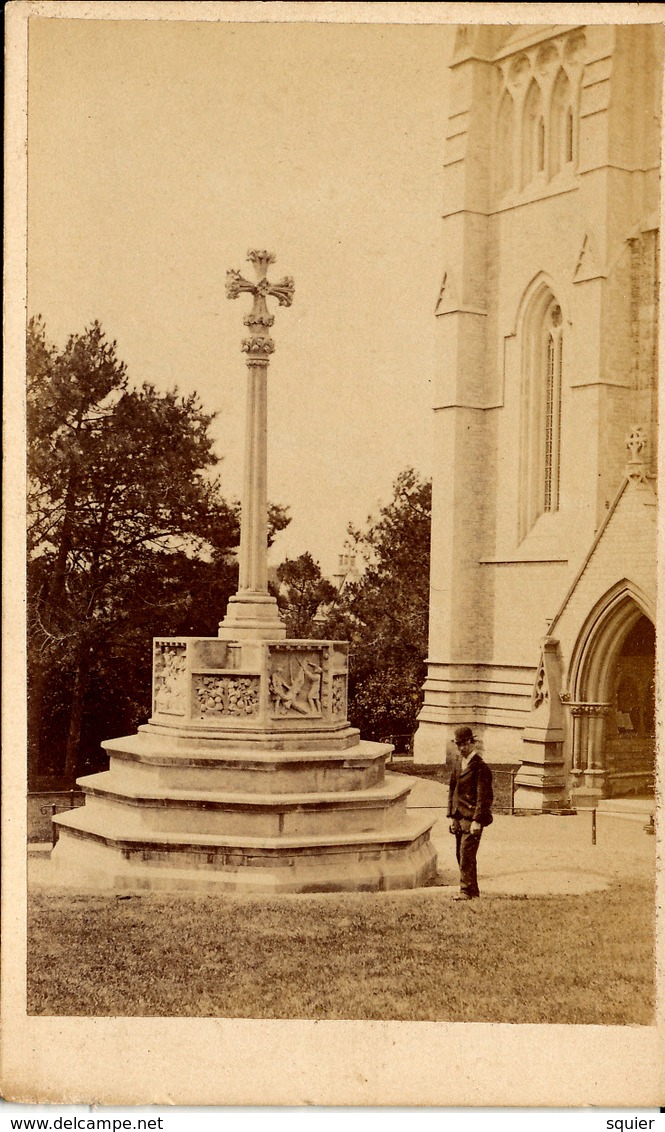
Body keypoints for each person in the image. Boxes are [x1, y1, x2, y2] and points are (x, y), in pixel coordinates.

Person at [447, 725, 493, 900]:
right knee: (460, 854)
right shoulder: (458, 764)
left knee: (467, 854)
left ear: (471, 743)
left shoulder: (481, 767)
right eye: (457, 745)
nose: (460, 748)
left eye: (463, 744)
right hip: (459, 817)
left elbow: (484, 797)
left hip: (472, 818)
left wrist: (478, 821)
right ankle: (473, 890)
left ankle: (465, 891)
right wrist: (451, 816)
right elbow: (452, 790)